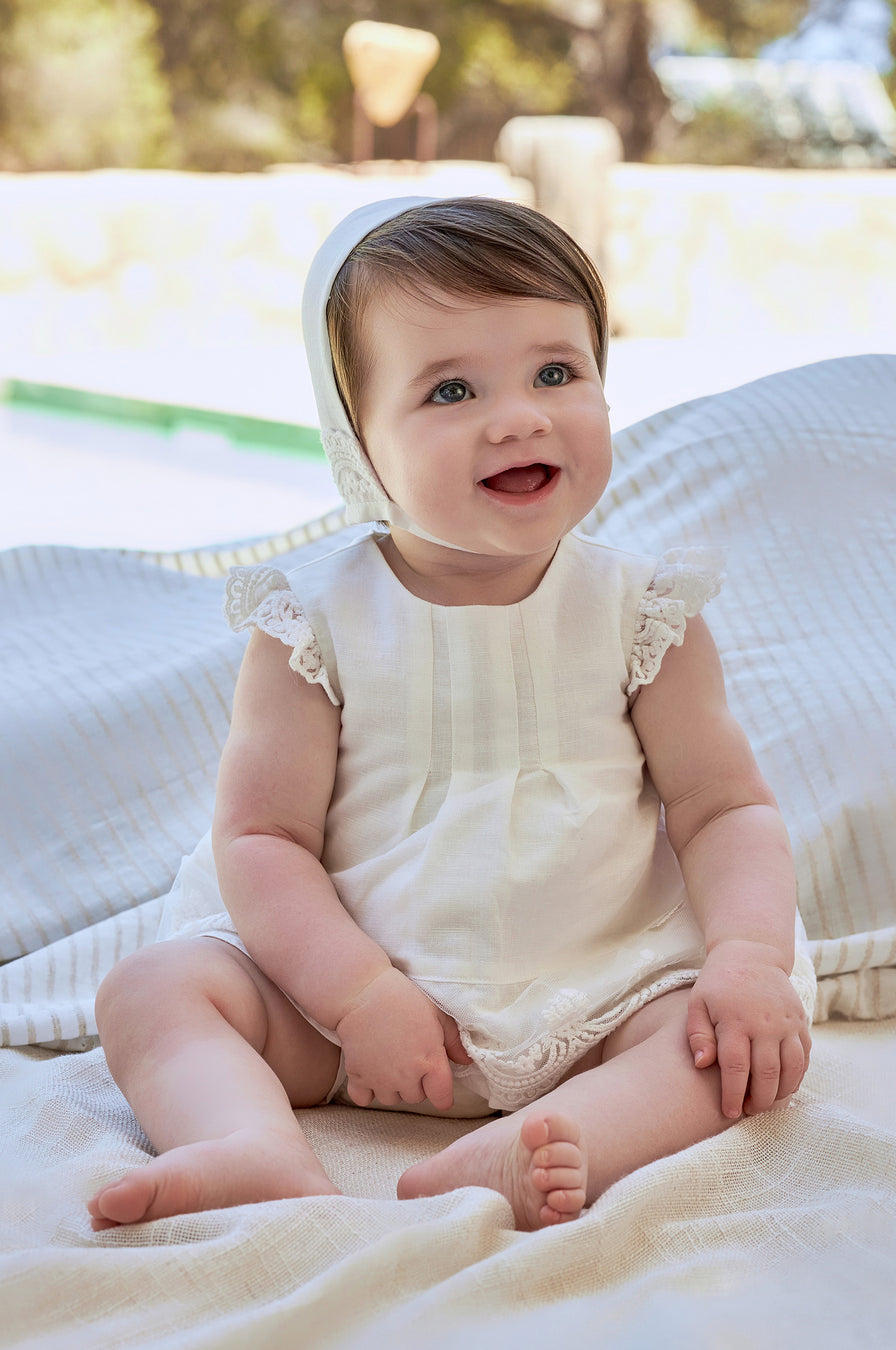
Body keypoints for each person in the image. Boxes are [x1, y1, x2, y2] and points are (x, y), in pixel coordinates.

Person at [88, 196, 816, 1233]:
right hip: (353, 1009)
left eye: (556, 373)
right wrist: (357, 1000)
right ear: (360, 444)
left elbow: (722, 808)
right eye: (452, 389)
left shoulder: (643, 612)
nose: (519, 416)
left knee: (732, 1049)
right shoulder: (315, 622)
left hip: (596, 989)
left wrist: (748, 960)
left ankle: (567, 1140)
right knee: (153, 991)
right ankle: (245, 1143)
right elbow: (263, 838)